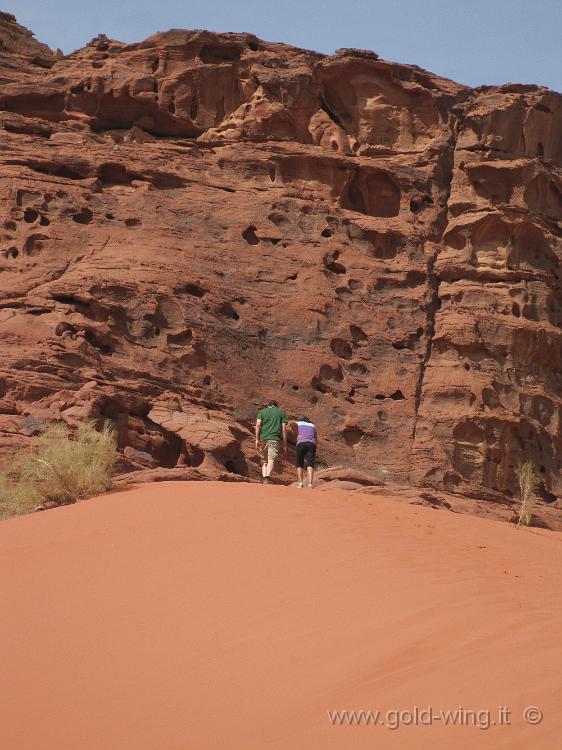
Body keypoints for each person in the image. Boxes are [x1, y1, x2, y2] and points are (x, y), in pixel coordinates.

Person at [255, 400, 288, 484]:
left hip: (263, 439)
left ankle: (264, 478)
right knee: (271, 458)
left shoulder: (262, 412)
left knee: (264, 461)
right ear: (276, 406)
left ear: (268, 405)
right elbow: (284, 429)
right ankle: (267, 477)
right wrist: (284, 443)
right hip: (274, 439)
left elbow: (258, 425)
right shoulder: (281, 413)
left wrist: (257, 439)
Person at [294, 416, 317, 488]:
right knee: (310, 464)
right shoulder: (313, 426)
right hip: (311, 444)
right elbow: (315, 438)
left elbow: (291, 423)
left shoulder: (298, 423)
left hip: (301, 443)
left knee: (299, 463)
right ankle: (310, 483)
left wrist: (297, 433)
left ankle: (300, 483)